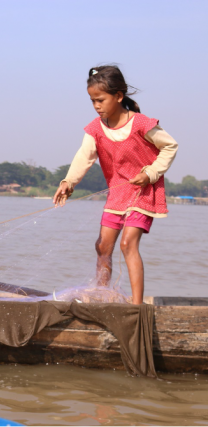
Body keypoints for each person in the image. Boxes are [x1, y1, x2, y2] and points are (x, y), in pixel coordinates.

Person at [53, 66, 178, 304]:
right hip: (117, 195)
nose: (96, 105)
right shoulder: (95, 128)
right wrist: (68, 182)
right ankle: (102, 297)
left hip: (142, 193)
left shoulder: (141, 123)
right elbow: (84, 156)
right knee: (102, 246)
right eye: (92, 101)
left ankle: (137, 306)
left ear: (118, 96)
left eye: (100, 100)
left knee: (127, 243)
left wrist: (150, 173)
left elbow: (170, 146)